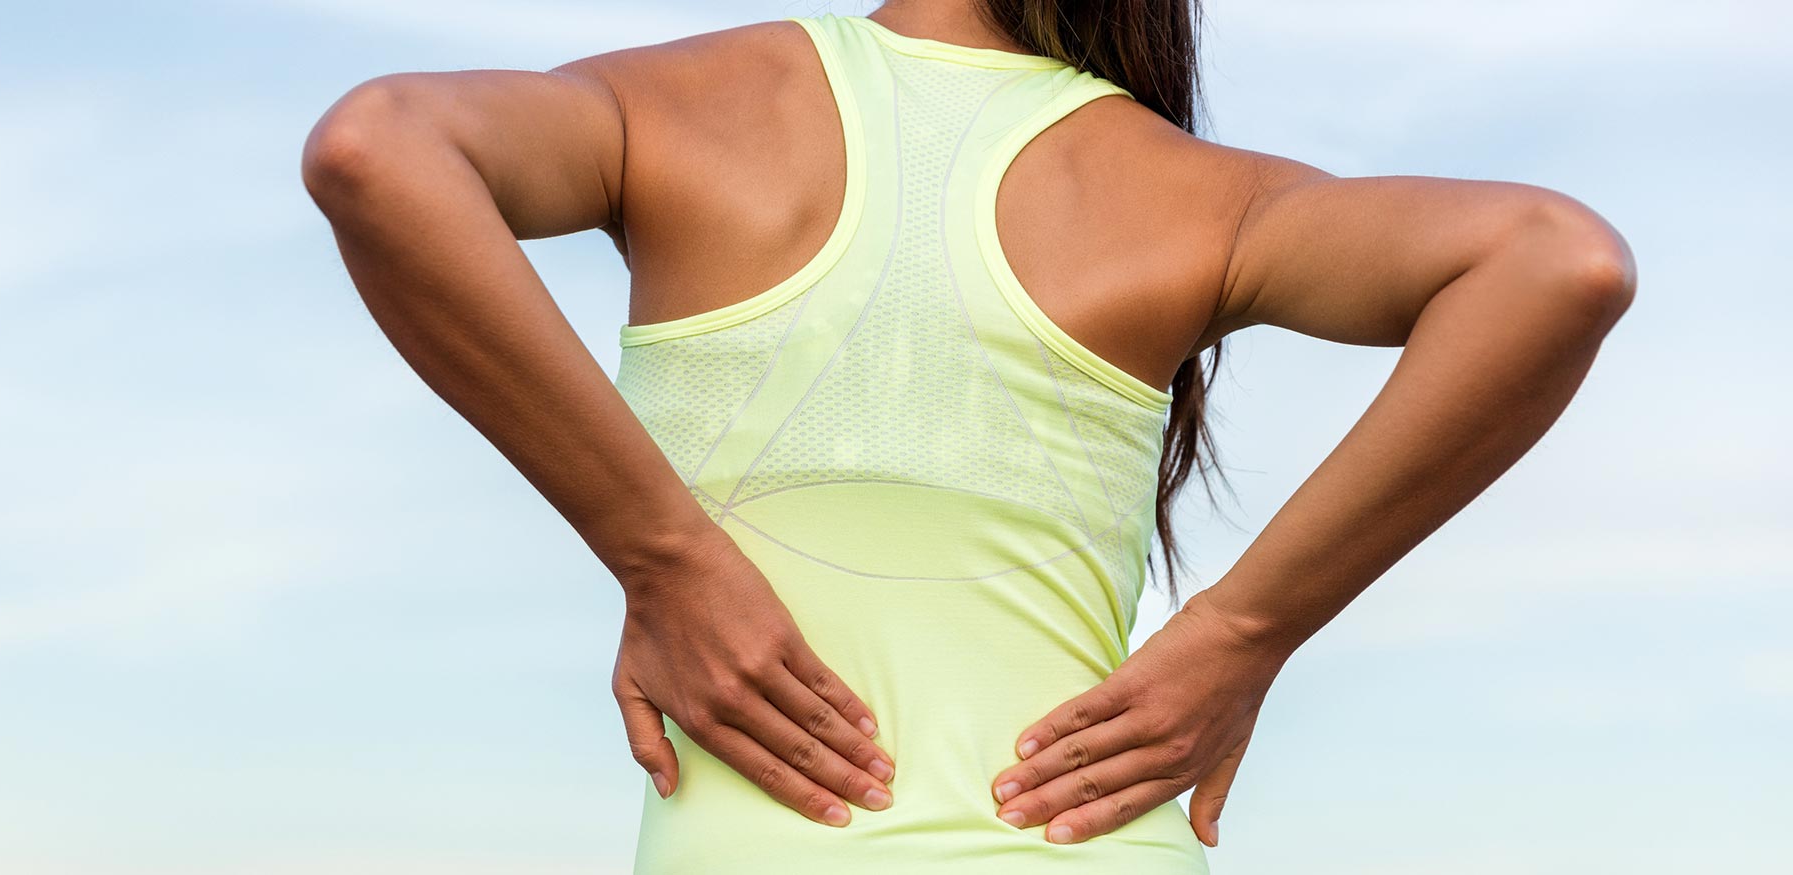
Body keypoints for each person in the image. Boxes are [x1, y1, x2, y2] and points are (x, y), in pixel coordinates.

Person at [298, 0, 1636, 871]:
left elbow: (376, 146)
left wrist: (663, 558)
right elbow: (1558, 261)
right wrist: (1245, 631)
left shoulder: (696, 103)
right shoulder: (1187, 194)